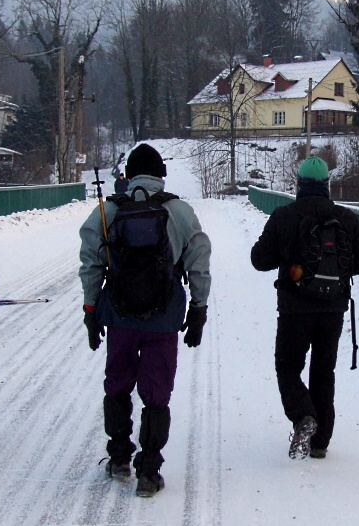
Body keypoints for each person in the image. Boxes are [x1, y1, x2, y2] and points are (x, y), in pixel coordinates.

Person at [78, 143, 212, 497]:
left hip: (120, 315)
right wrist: (199, 308)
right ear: (160, 175)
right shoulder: (179, 211)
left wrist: (91, 310)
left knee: (118, 383)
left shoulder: (107, 212)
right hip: (163, 317)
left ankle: (120, 456)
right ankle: (149, 471)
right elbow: (199, 260)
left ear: (129, 175)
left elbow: (90, 262)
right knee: (156, 392)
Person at [250, 156, 359, 460]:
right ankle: (320, 442)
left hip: (294, 309)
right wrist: (338, 271)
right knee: (323, 371)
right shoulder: (344, 217)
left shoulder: (284, 215)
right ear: (326, 185)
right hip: (332, 309)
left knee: (288, 367)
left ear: (299, 185)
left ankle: (303, 414)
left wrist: (289, 258)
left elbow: (259, 260)